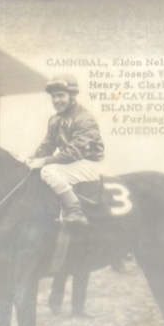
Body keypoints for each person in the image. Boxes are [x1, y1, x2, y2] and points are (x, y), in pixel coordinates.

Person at [26, 74, 105, 226]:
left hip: (90, 163)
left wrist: (43, 161)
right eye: (53, 96)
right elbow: (47, 146)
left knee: (48, 171)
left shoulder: (84, 118)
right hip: (73, 163)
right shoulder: (55, 119)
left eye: (61, 95)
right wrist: (31, 158)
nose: (56, 100)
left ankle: (75, 212)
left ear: (73, 95)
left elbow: (74, 152)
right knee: (37, 167)